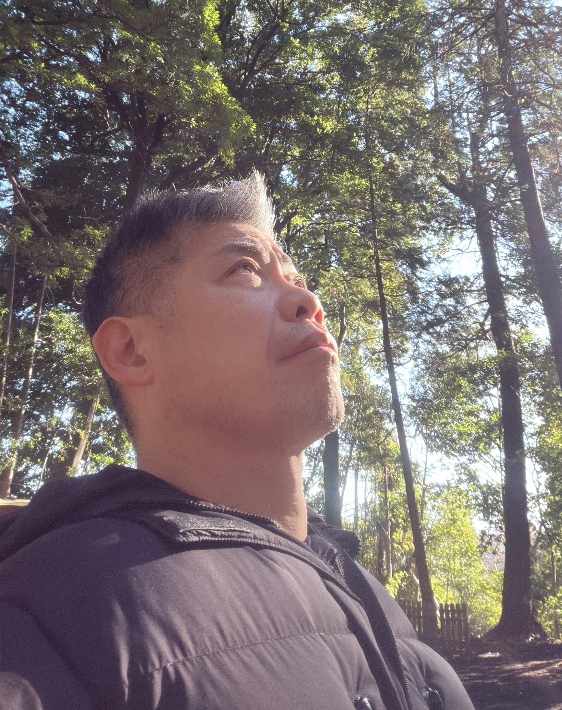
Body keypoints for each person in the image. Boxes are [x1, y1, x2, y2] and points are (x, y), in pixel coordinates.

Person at [0, 173, 475, 710]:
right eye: (244, 269)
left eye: (295, 277)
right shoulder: (51, 610)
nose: (308, 300)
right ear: (130, 350)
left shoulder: (367, 590)